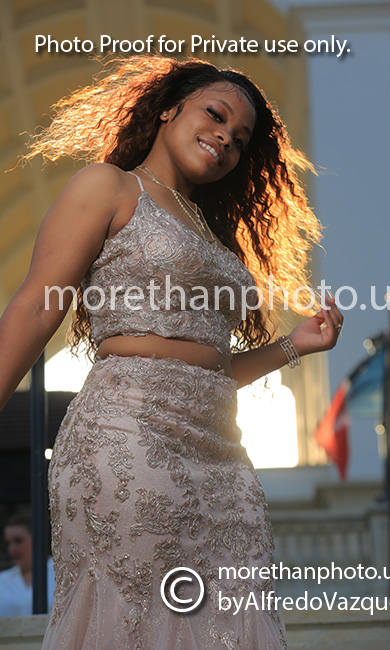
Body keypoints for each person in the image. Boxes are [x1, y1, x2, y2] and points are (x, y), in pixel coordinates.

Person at [0, 55, 343, 648]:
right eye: (216, 114)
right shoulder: (110, 186)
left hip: (223, 456)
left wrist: (295, 345)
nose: (226, 138)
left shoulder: (212, 231)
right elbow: (35, 306)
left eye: (241, 139)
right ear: (168, 110)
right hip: (128, 435)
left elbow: (209, 365)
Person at [0, 510, 55, 616]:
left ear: (39, 539)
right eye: (9, 543)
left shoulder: (64, 575)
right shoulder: (2, 580)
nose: (12, 549)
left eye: (18, 541)